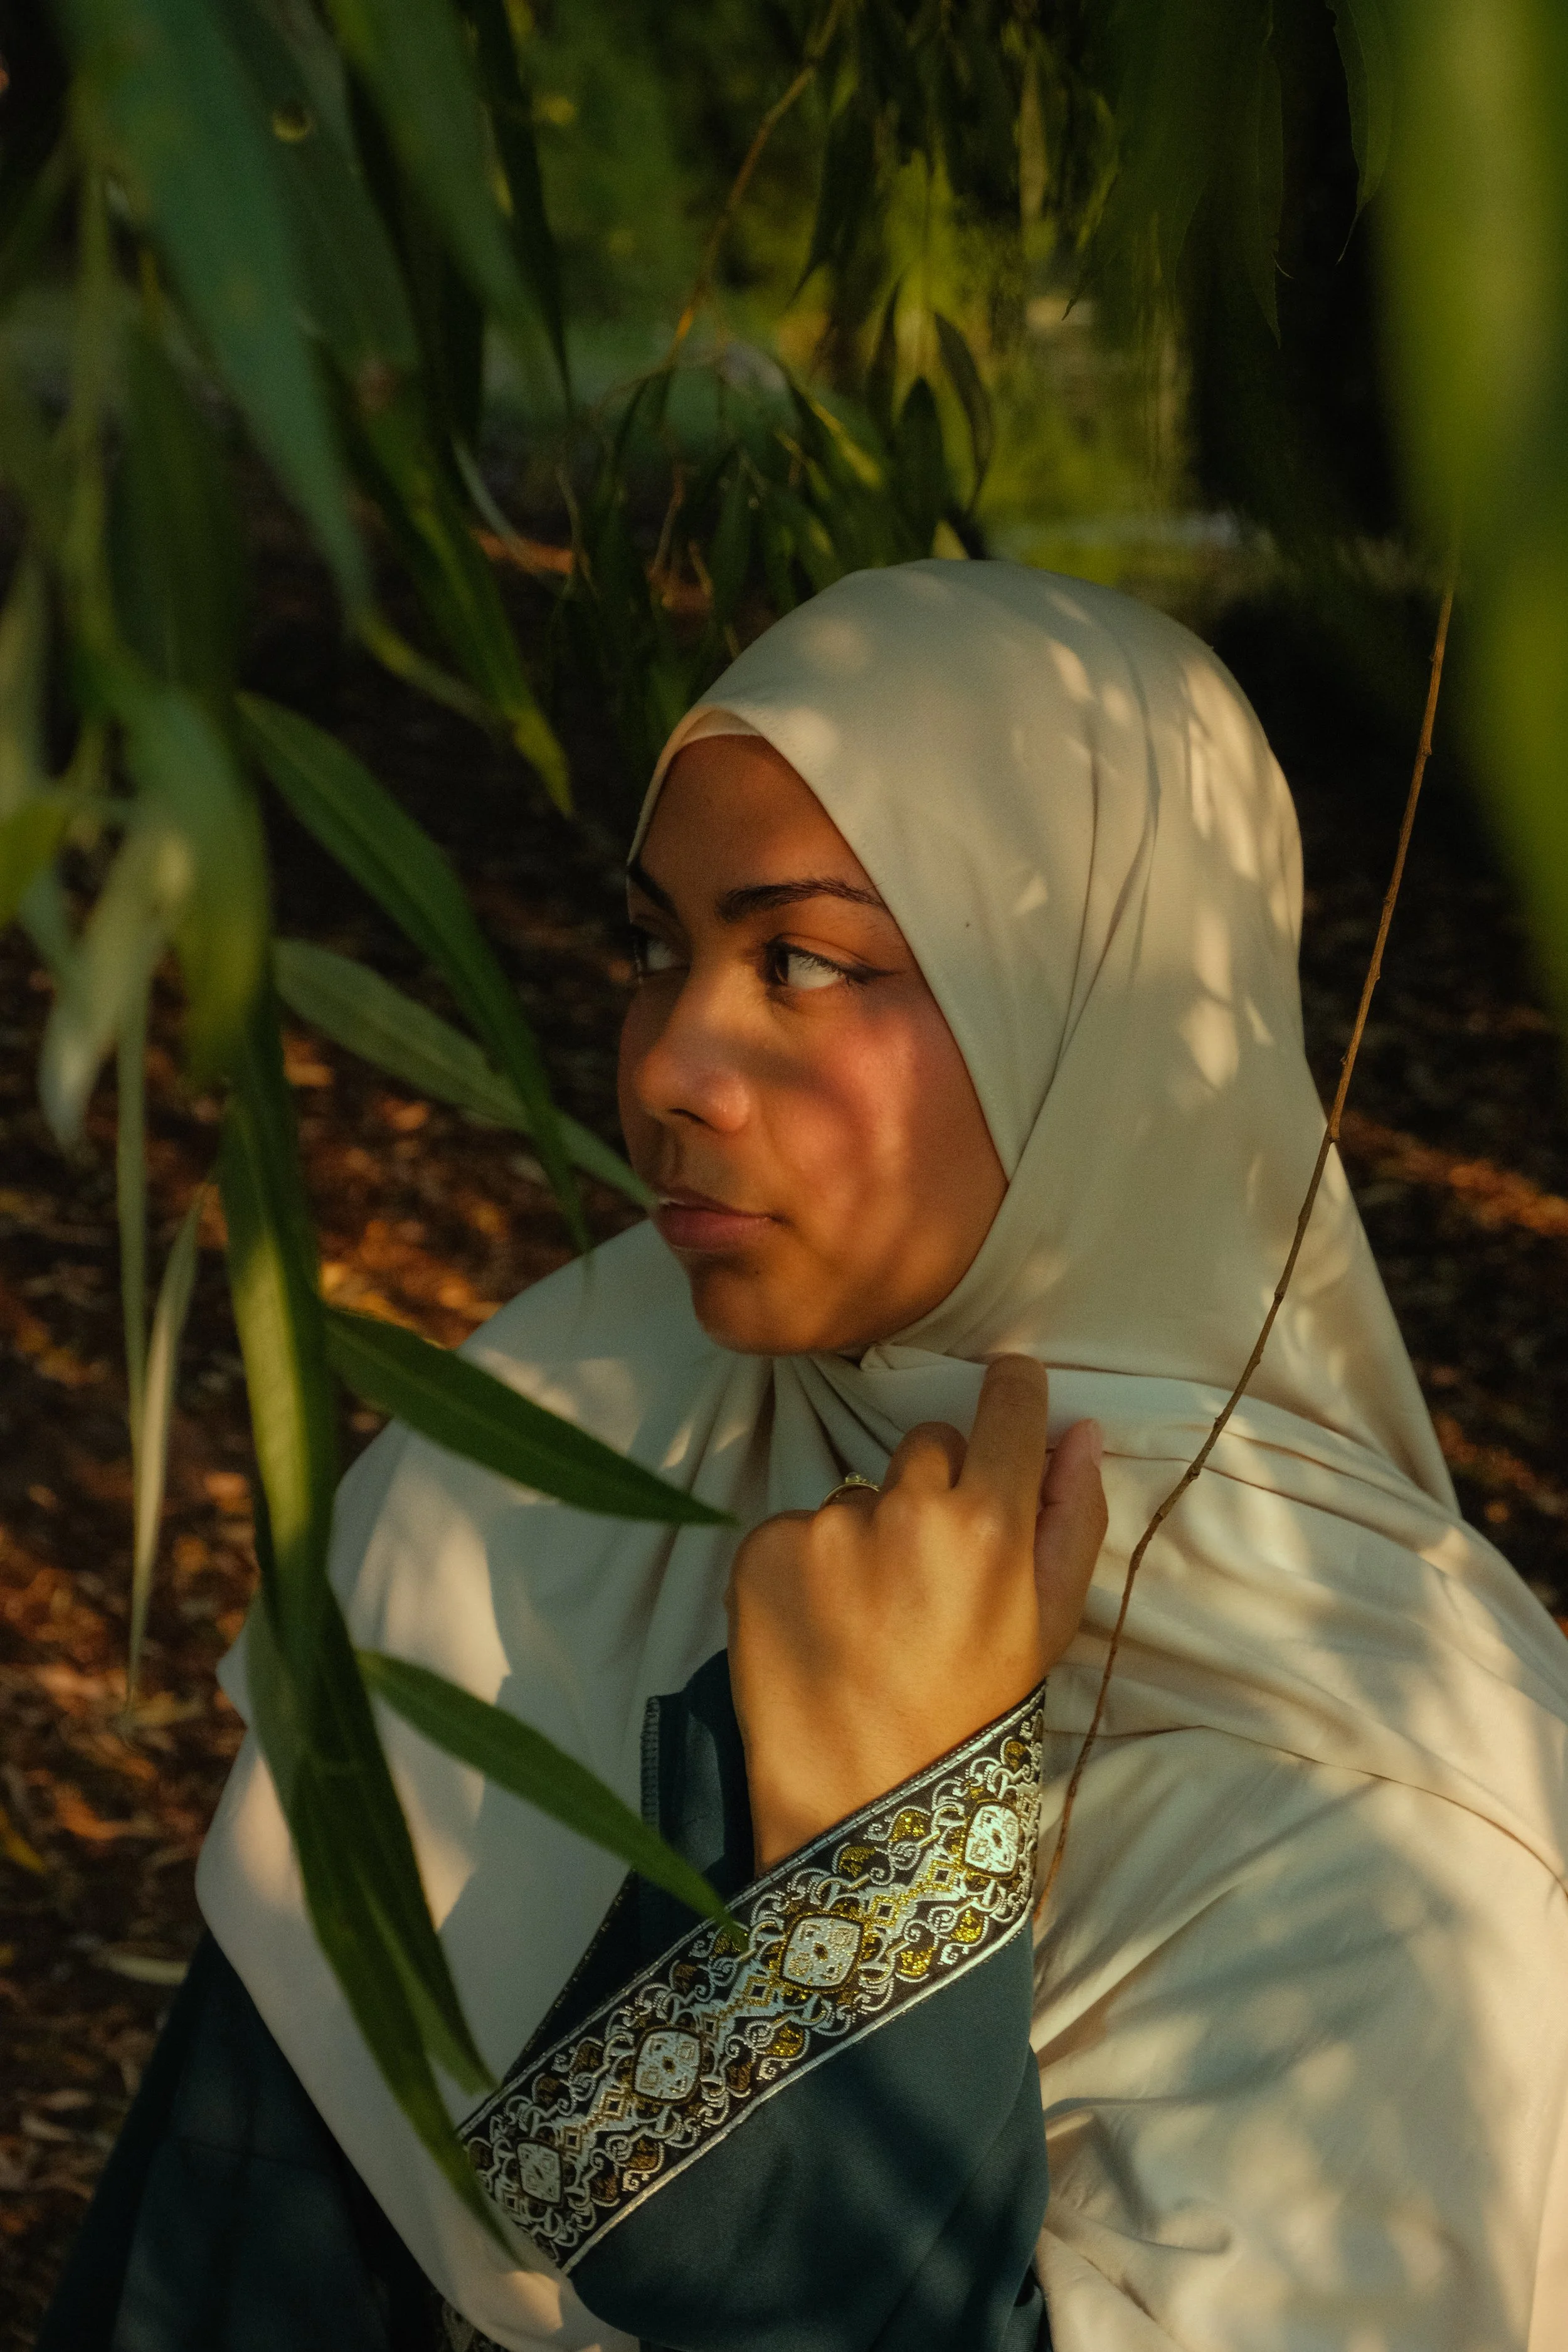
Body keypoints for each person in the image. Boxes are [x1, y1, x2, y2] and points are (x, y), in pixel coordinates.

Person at [43, 561, 1568, 2351]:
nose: (673, 1063)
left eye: (801, 959)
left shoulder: (1398, 1819)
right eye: (655, 950)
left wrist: (874, 1844)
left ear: (1098, 1014)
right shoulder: (554, 1435)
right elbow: (224, 2257)